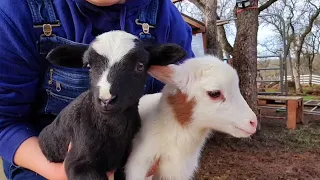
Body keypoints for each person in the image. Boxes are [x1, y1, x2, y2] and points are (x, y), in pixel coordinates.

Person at [0, 0, 194, 179]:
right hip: (43, 159)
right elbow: (4, 122)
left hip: (136, 147)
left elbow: (188, 94)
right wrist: (58, 172)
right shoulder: (20, 10)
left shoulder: (162, 15)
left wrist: (152, 154)